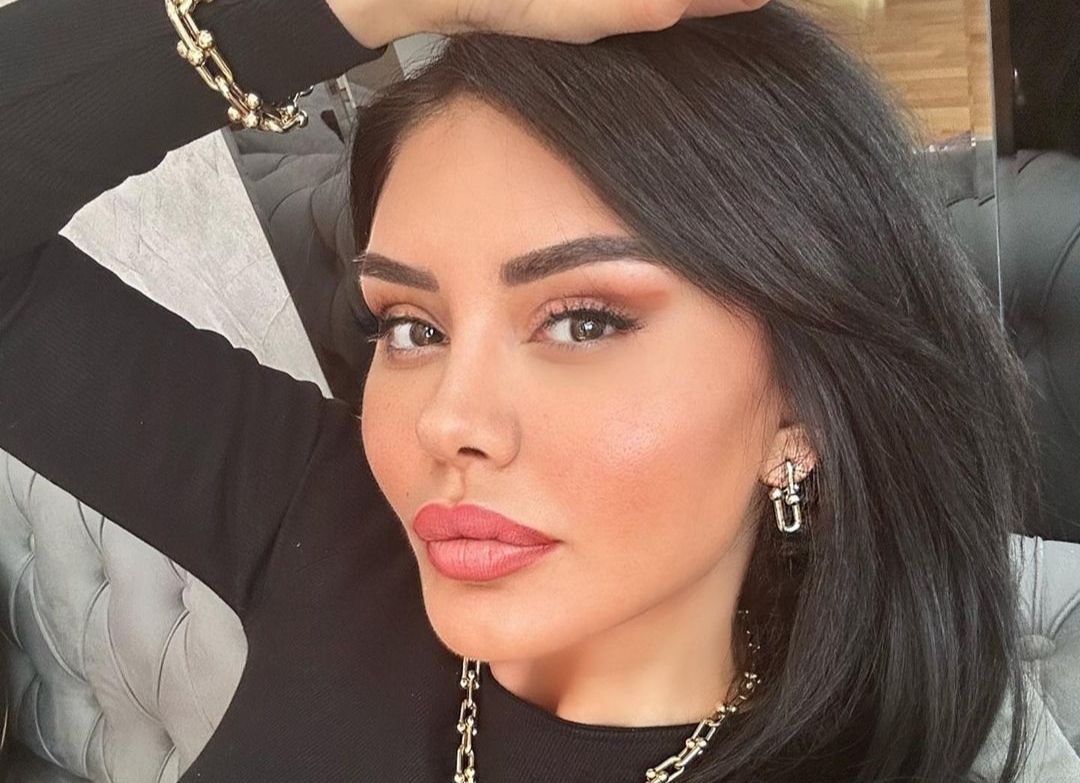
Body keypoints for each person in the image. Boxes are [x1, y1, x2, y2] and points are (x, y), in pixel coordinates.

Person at [0, 0, 1036, 780]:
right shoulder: (328, 514)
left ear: (802, 405)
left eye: (583, 321)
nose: (448, 420)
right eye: (413, 328)